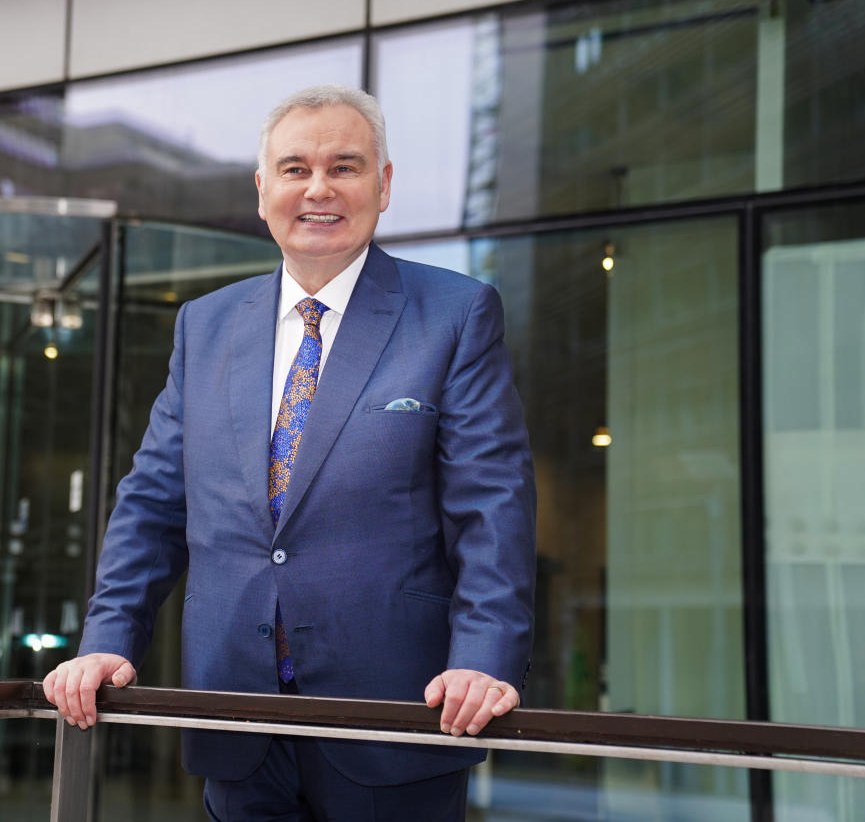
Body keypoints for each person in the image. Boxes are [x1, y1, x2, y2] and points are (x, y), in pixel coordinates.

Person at [44, 84, 536, 821]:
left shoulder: (456, 315)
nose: (319, 189)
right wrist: (109, 636)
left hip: (397, 715)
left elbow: (491, 506)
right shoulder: (204, 327)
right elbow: (152, 501)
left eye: (345, 166)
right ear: (263, 188)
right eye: (295, 168)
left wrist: (483, 657)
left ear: (385, 184)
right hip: (233, 715)